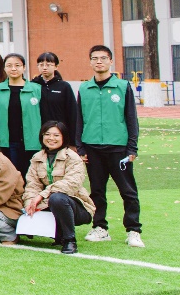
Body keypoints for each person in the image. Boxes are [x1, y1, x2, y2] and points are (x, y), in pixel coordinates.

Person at [75, 44, 143, 248]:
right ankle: (100, 228)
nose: (99, 62)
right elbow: (79, 119)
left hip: (118, 148)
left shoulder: (122, 86)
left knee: (128, 191)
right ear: (90, 62)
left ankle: (133, 230)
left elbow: (131, 118)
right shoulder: (84, 88)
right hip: (92, 147)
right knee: (97, 191)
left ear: (111, 61)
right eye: (95, 58)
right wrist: (80, 148)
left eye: (103, 58)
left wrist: (132, 148)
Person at [24, 121, 95, 254]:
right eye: (47, 134)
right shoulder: (36, 158)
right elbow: (32, 185)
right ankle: (57, 234)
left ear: (64, 137)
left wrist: (42, 195)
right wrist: (30, 204)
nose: (51, 138)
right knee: (25, 204)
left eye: (56, 135)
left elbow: (71, 184)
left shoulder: (73, 157)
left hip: (77, 206)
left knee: (57, 198)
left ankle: (70, 240)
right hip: (48, 204)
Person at [0, 53, 42, 178]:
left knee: (31, 177)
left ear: (24, 67)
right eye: (9, 65)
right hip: (6, 141)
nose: (13, 69)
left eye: (17, 65)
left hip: (31, 141)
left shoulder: (36, 89)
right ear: (4, 68)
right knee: (9, 177)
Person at [33, 52, 77, 132]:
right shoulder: (33, 86)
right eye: (41, 65)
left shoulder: (64, 86)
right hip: (38, 131)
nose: (44, 68)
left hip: (59, 132)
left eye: (48, 65)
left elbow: (72, 113)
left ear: (56, 66)